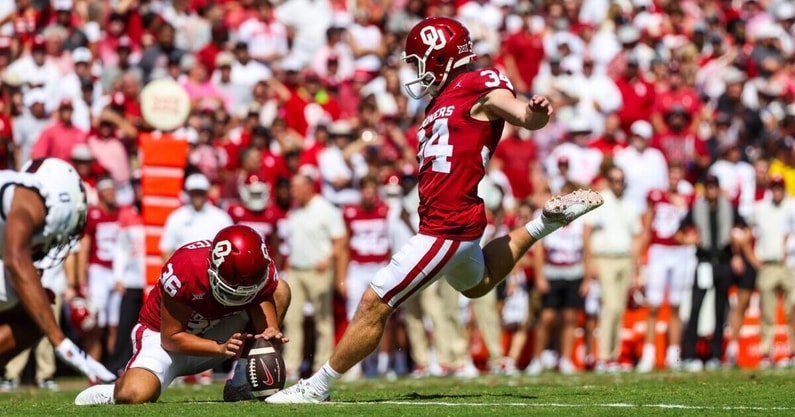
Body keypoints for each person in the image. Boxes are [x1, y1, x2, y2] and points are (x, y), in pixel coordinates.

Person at [265, 17, 602, 403]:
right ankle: (544, 223)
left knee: (376, 302)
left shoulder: (479, 83)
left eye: (418, 61)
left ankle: (316, 387)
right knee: (478, 283)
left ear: (439, 57)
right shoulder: (439, 100)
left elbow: (521, 114)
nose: (415, 71)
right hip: (449, 220)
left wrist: (535, 112)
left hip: (447, 225)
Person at [74, 225, 291, 405]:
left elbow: (258, 298)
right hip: (164, 339)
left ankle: (240, 382)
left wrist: (268, 333)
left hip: (219, 333)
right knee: (134, 394)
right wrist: (220, 348)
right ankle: (112, 392)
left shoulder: (261, 269)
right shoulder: (186, 268)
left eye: (249, 288)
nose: (242, 295)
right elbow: (171, 338)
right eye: (234, 288)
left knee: (280, 290)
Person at [0, 157, 116, 384]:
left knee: (35, 312)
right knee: (36, 314)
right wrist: (60, 340)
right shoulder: (34, 196)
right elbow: (15, 258)